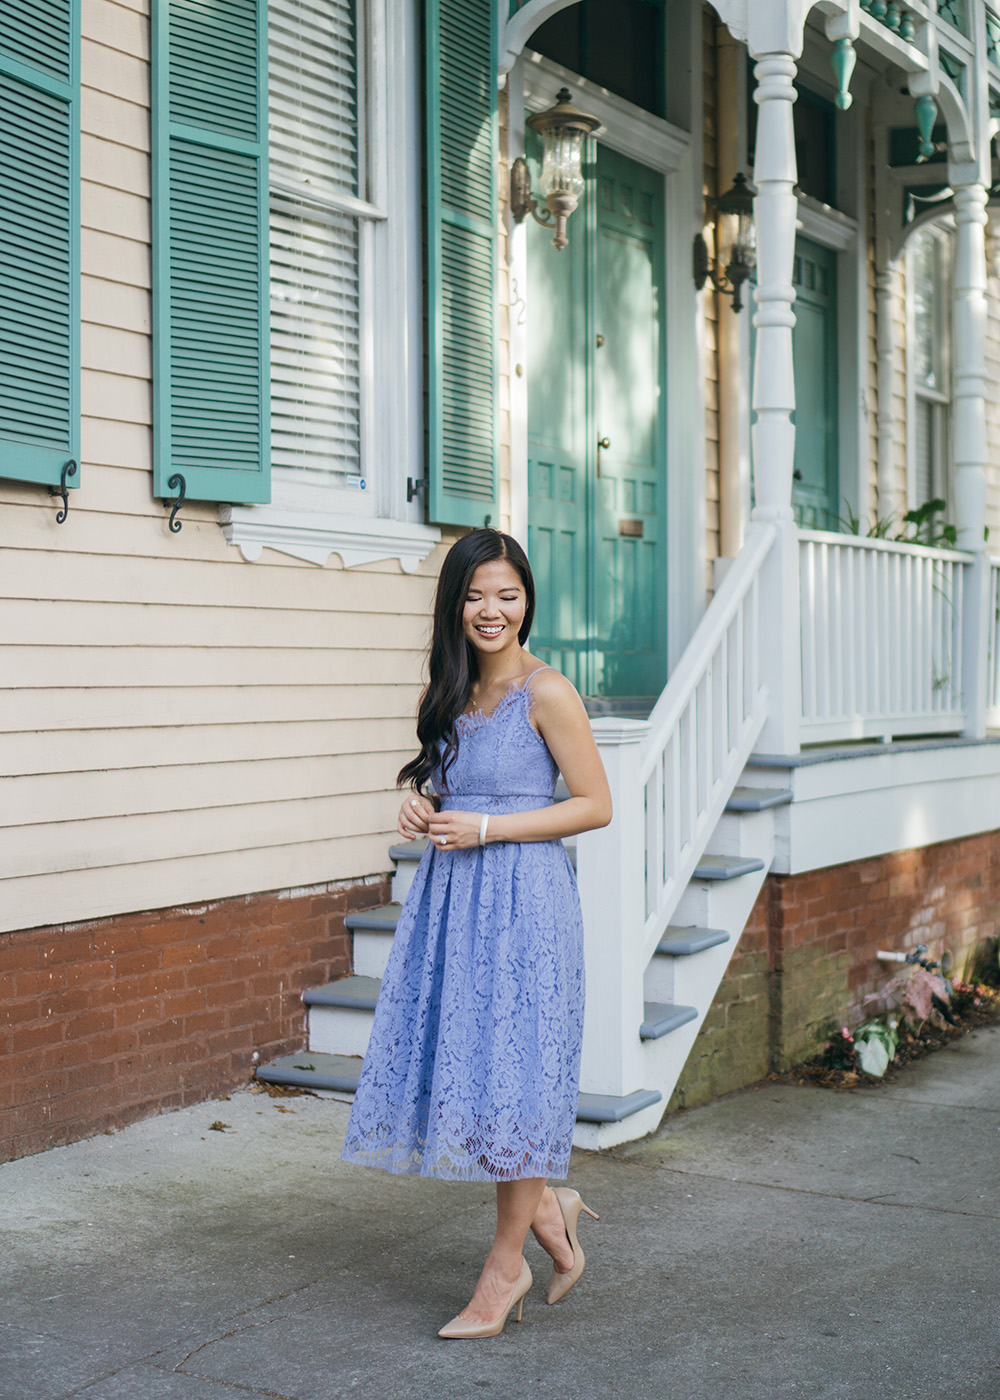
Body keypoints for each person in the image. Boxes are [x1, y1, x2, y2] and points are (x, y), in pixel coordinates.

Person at [340, 528, 612, 1338]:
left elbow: (595, 805)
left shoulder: (547, 691)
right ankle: (548, 1207)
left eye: (508, 595)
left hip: (526, 904)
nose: (491, 610)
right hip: (457, 904)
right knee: (491, 1076)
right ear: (454, 604)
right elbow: (453, 789)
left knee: (518, 1076)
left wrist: (489, 827)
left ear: (527, 601)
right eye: (475, 595)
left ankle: (503, 1270)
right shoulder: (451, 691)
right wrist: (422, 805)